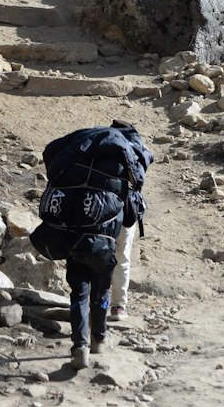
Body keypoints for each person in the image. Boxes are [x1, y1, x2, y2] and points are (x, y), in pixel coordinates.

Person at [30, 121, 151, 371]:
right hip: (104, 245)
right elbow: (129, 217)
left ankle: (80, 347)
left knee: (79, 292)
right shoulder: (120, 171)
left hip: (74, 237)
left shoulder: (78, 164)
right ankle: (99, 338)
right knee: (100, 292)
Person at [109, 119, 154, 322]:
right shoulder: (134, 151)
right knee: (122, 257)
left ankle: (91, 302)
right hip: (126, 210)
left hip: (93, 208)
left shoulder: (100, 151)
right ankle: (118, 306)